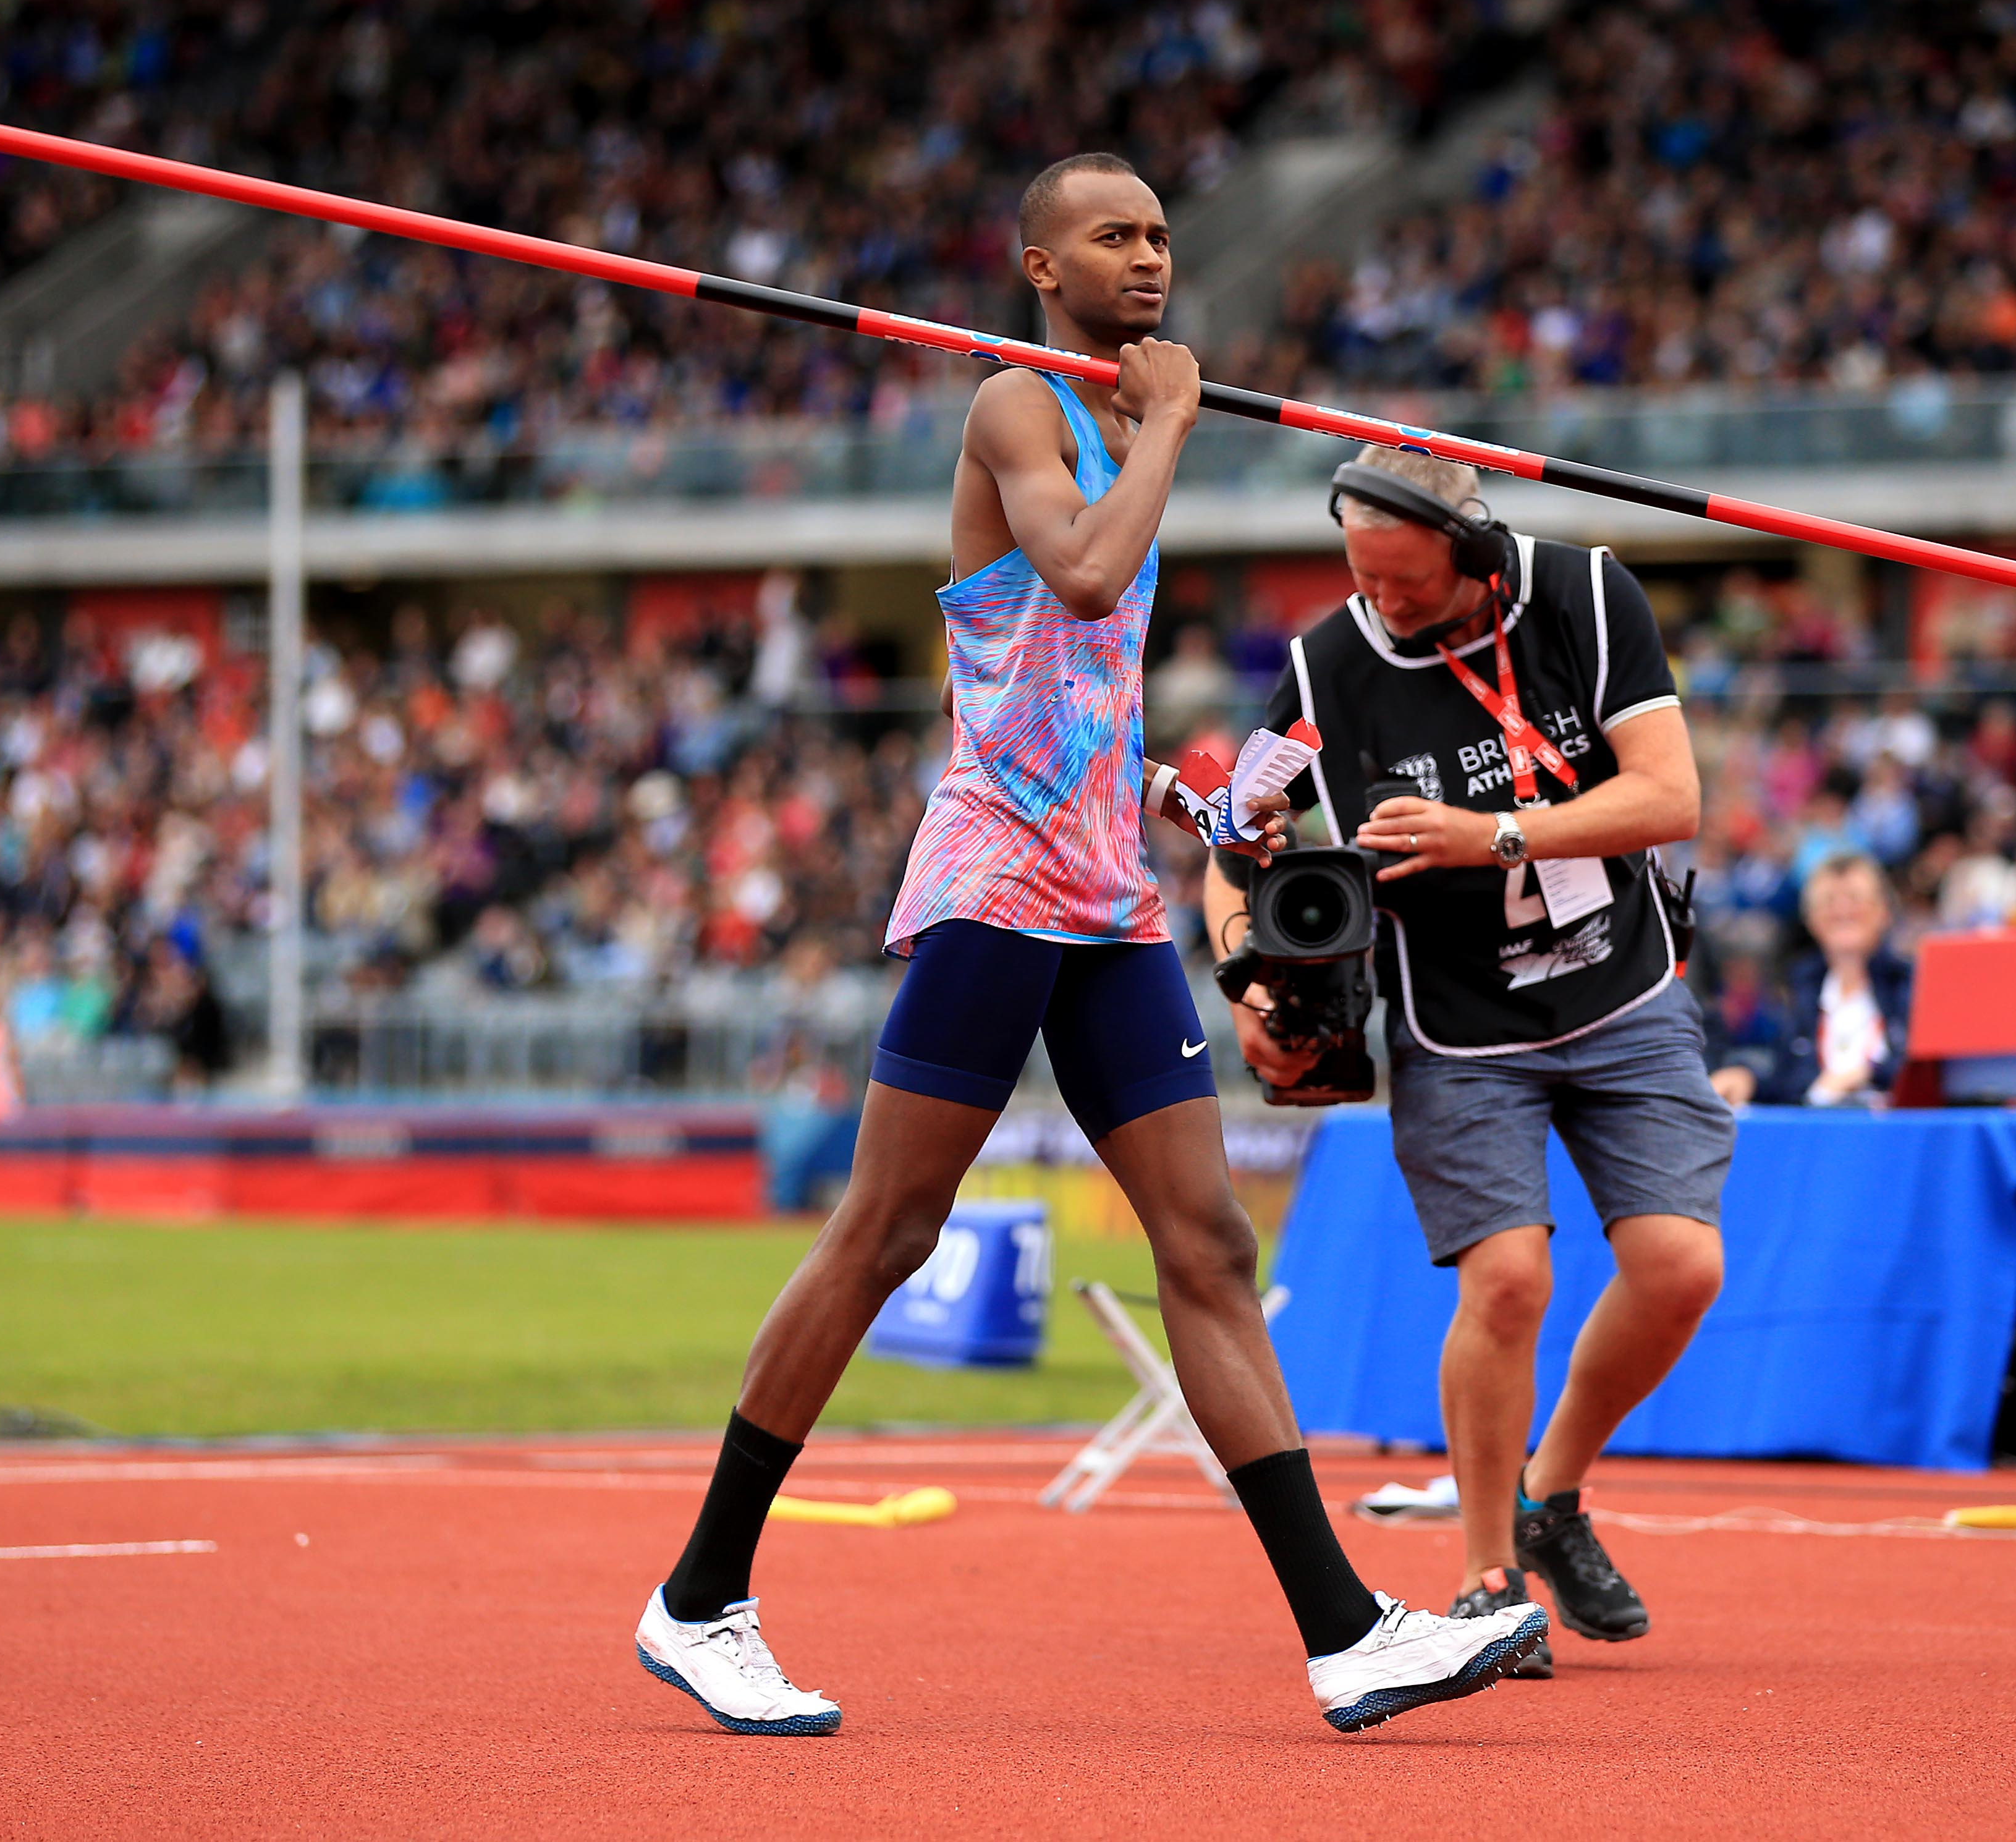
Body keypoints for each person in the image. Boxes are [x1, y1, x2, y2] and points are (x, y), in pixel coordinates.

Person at [636, 155, 1543, 1741]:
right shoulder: (1013, 404)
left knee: (1206, 1246)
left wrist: (1162, 790)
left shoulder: (1120, 437)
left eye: (1160, 238)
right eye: (1113, 238)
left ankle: (1342, 1632)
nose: (1147, 259)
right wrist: (1175, 422)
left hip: (1107, 886)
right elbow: (1082, 573)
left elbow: (1000, 681)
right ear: (1040, 266)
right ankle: (700, 1597)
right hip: (998, 887)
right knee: (884, 1234)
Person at [1205, 444, 1728, 1679]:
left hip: (1621, 982)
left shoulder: (1588, 599)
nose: (1379, 603)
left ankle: (1555, 1493)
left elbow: (1669, 796)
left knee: (1680, 1265)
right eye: (1359, 576)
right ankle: (1488, 1570)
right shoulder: (1323, 666)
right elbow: (1235, 839)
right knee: (1505, 1281)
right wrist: (1243, 969)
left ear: (1477, 559)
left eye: (1406, 583)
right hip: (1456, 1024)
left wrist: (1489, 833)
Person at [1709, 852, 1912, 1107]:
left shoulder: (1911, 985)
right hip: (1816, 1134)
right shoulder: (1803, 988)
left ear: (1884, 911)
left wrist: (1868, 1073)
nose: (1842, 910)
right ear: (1811, 919)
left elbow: (1922, 1069)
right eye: (1828, 901)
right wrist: (1746, 1077)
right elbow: (1785, 1075)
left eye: (1855, 898)